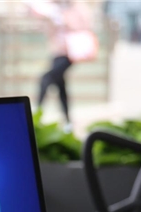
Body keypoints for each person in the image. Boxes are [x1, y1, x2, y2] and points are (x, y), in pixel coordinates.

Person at [33, 0, 92, 130]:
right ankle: (68, 122)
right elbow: (48, 31)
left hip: (69, 54)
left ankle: (36, 117)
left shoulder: (77, 7)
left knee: (45, 78)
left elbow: (84, 26)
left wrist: (65, 19)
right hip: (57, 53)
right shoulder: (54, 8)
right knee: (61, 87)